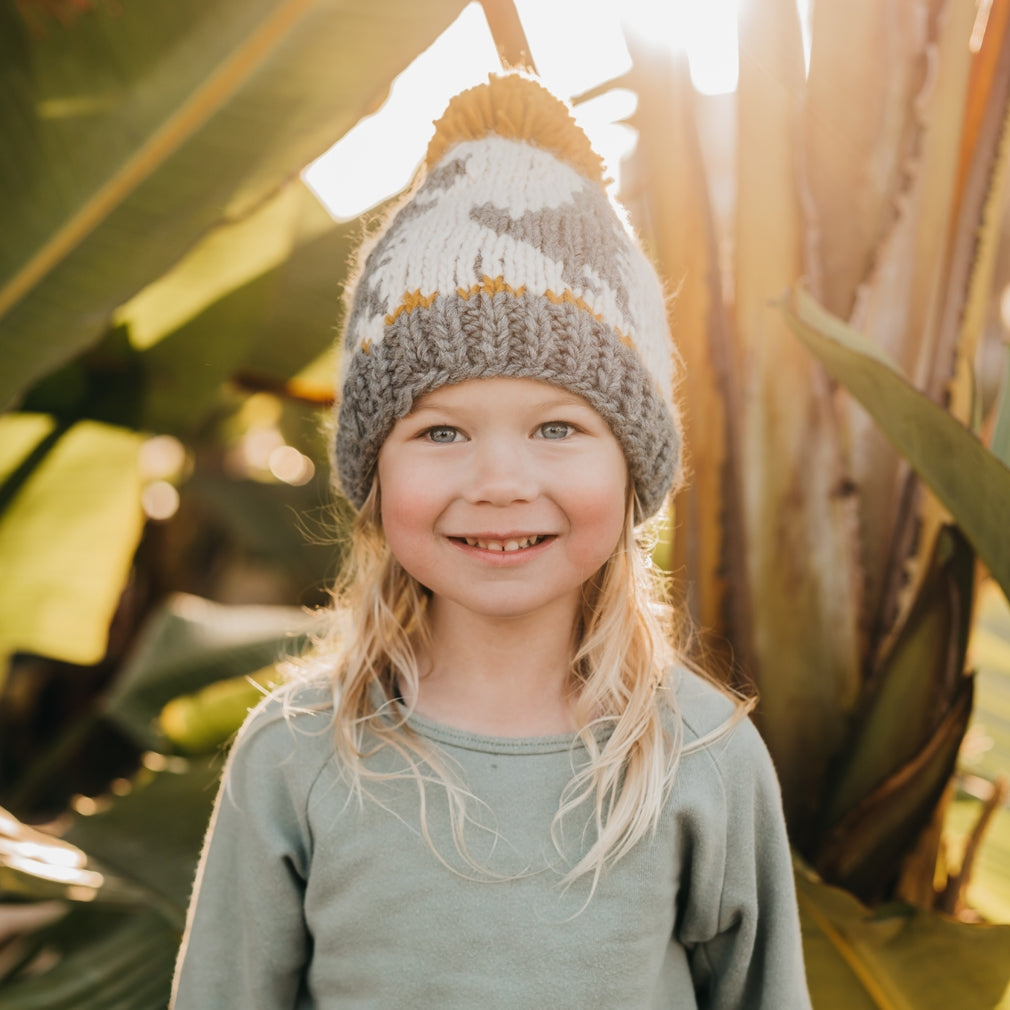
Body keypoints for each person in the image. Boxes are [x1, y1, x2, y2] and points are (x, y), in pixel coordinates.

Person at [170, 72, 812, 1009]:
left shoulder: (703, 757)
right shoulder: (295, 758)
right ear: (373, 474)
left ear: (634, 467)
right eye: (440, 431)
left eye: (558, 427)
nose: (501, 483)